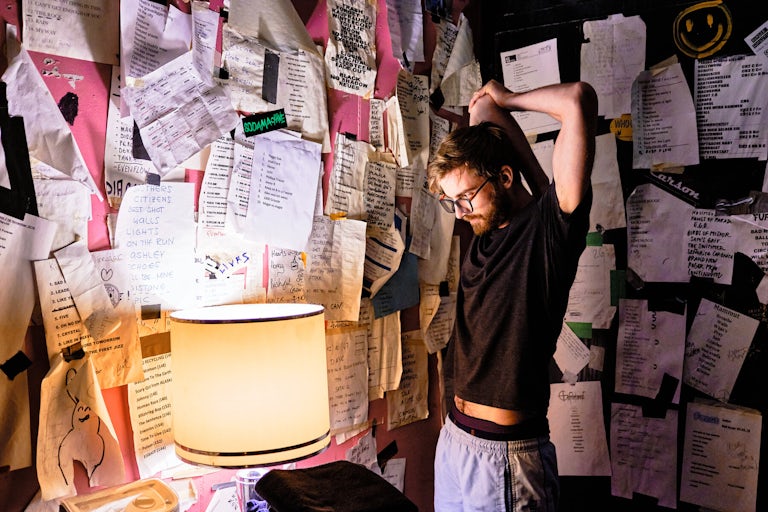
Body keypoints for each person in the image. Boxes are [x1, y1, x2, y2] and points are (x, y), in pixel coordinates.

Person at [427, 79, 597, 512]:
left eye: (466, 198)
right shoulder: (485, 231)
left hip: (504, 456)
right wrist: (537, 181)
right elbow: (482, 110)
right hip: (454, 440)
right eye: (452, 202)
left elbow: (576, 100)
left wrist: (510, 99)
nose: (461, 214)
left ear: (504, 178)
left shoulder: (550, 234)